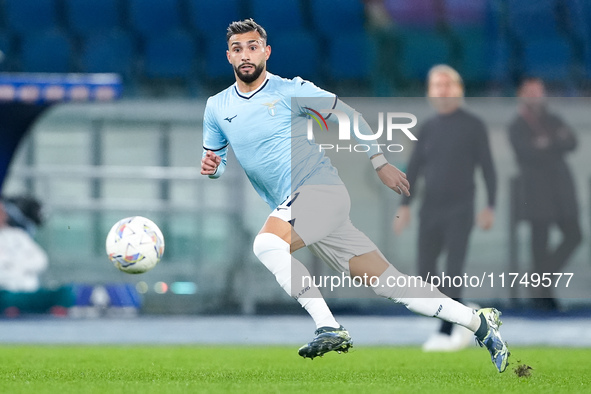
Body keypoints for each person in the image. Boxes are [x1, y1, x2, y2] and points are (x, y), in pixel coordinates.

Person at [200, 19, 509, 372]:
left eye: (253, 46)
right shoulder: (217, 107)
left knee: (266, 245)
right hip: (298, 208)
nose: (245, 54)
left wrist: (379, 160)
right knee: (393, 286)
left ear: (266, 52)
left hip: (319, 191)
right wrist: (213, 167)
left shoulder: (291, 91)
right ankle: (480, 324)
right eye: (238, 49)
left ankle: (328, 326)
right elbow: (217, 162)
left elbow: (348, 115)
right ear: (228, 56)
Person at [393, 65, 497, 351]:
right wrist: (405, 205)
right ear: (430, 92)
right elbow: (413, 169)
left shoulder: (473, 125)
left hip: (460, 208)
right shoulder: (427, 128)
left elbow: (488, 167)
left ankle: (445, 329)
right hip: (430, 208)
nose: (443, 90)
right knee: (426, 272)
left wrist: (490, 205)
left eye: (447, 84)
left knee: (453, 269)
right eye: (437, 85)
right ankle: (465, 312)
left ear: (458, 89)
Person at [508, 78, 582, 310]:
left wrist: (546, 143)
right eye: (530, 92)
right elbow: (527, 152)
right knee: (539, 243)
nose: (535, 96)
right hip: (536, 190)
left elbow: (571, 142)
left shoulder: (554, 119)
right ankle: (542, 295)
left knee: (574, 235)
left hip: (560, 189)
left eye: (539, 92)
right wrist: (553, 142)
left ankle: (540, 279)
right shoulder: (517, 124)